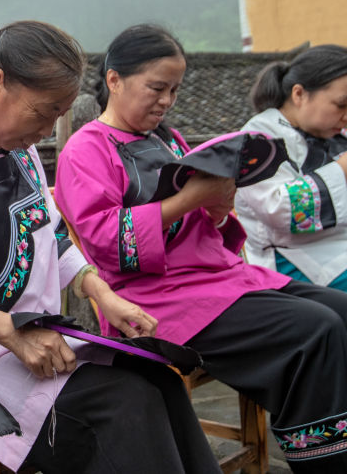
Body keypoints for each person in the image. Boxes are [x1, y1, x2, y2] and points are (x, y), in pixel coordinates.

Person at [0, 14, 220, 473]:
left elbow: (48, 232)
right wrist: (10, 333)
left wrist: (102, 293)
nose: (49, 132)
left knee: (158, 380)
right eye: (44, 112)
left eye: (57, 116)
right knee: (125, 404)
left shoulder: (19, 148)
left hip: (36, 340)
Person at [55, 24, 347, 472]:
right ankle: (325, 459)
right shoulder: (85, 149)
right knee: (317, 329)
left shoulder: (167, 140)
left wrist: (215, 210)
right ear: (114, 79)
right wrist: (193, 199)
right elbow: (106, 241)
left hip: (219, 280)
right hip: (156, 299)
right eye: (157, 88)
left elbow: (204, 230)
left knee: (340, 310)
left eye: (174, 89)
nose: (167, 101)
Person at [235, 45, 347, 289]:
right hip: (298, 260)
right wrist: (342, 170)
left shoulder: (338, 134)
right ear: (299, 94)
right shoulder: (259, 138)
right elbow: (278, 209)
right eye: (341, 104)